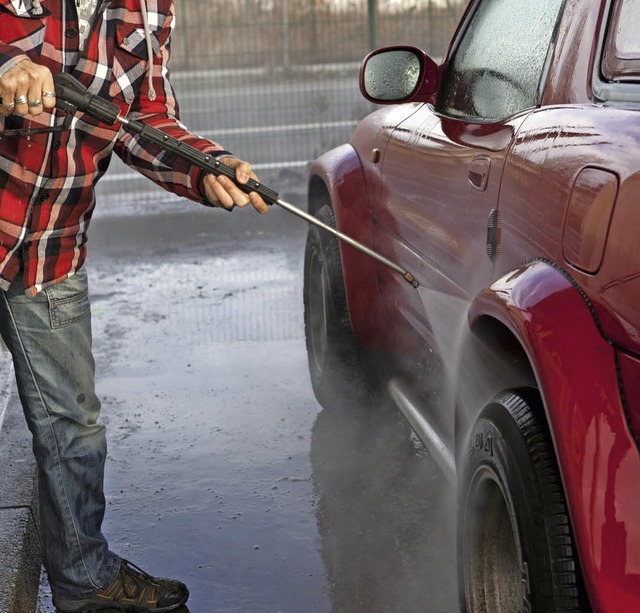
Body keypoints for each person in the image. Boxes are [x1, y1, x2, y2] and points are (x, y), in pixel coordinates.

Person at [0, 1, 268, 611]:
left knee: (73, 425)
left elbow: (143, 120)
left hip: (50, 250)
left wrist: (207, 169)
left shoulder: (151, 7)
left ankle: (84, 581)